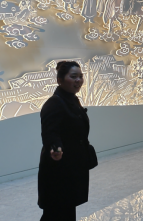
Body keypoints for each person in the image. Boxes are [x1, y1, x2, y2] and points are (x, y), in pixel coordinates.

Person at [38, 61, 96, 221]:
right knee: (55, 212)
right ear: (60, 80)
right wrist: (55, 148)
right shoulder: (54, 103)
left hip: (71, 168)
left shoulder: (72, 100)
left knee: (66, 210)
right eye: (73, 76)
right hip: (59, 170)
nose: (79, 80)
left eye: (80, 76)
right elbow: (50, 133)